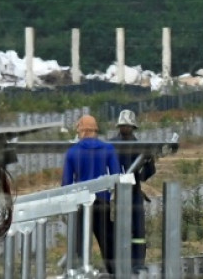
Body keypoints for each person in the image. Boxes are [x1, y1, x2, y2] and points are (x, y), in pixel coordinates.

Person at [62, 114, 122, 275]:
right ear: (95, 130)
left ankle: (81, 273)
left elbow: (66, 184)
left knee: (79, 245)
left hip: (81, 205)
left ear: (81, 130)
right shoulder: (108, 149)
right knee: (108, 243)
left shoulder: (72, 152)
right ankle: (114, 273)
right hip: (102, 204)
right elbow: (117, 177)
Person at [110, 110, 155, 273]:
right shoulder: (112, 146)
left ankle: (137, 263)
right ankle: (118, 263)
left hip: (134, 192)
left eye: (127, 126)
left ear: (133, 127)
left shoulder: (140, 147)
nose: (125, 129)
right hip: (116, 192)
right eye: (123, 126)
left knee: (138, 230)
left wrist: (147, 163)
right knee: (118, 228)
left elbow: (149, 171)